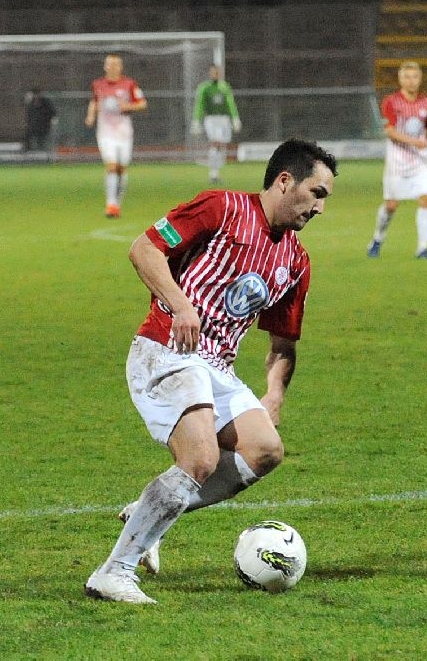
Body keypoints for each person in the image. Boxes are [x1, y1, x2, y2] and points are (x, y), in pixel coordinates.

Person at [84, 139, 338, 604]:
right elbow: (145, 248)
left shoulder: (296, 261)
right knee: (199, 458)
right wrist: (180, 306)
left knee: (264, 451)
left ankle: (148, 512)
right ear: (285, 181)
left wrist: (274, 393)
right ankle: (113, 572)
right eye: (316, 193)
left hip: (216, 366)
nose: (321, 207)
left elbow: (283, 342)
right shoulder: (221, 208)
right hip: (167, 349)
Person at [366, 61, 427, 261]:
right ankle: (377, 238)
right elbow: (390, 132)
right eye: (407, 77)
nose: (411, 81)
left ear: (420, 79)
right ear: (400, 79)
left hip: (421, 161)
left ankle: (423, 248)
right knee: (391, 205)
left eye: (415, 77)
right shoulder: (391, 102)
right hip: (397, 162)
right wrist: (415, 142)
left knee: (426, 199)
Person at [84, 53, 147, 219]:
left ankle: (117, 203)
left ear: (120, 67)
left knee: (121, 169)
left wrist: (128, 106)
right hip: (105, 132)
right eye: (109, 64)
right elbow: (95, 101)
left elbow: (142, 103)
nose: (111, 67)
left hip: (124, 132)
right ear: (105, 66)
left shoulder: (129, 84)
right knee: (111, 166)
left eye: (115, 64)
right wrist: (91, 115)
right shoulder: (98, 84)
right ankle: (111, 204)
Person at [191, 64, 242, 184]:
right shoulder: (205, 88)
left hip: (223, 119)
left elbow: (230, 103)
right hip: (211, 119)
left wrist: (235, 118)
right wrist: (196, 120)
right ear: (210, 73)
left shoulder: (224, 87)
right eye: (213, 72)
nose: (215, 74)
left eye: (217, 72)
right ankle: (213, 173)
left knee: (220, 145)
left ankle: (215, 171)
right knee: (216, 143)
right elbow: (200, 105)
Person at [24, 88, 57, 154]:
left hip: (44, 127)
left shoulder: (46, 103)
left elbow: (53, 112)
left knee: (42, 141)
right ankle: (30, 151)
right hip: (34, 127)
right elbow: (30, 115)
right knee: (29, 137)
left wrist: (50, 120)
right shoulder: (31, 104)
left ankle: (43, 153)